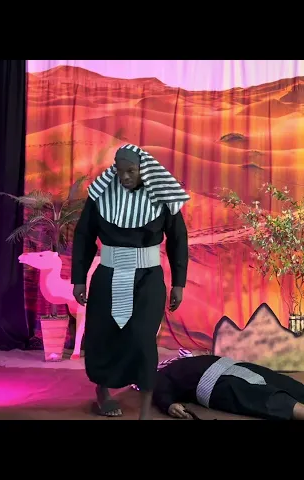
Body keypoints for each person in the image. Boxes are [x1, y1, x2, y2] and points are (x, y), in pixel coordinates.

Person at [71, 143, 190, 420]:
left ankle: (145, 411)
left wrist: (179, 283)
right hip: (108, 274)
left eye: (131, 171)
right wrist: (79, 279)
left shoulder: (161, 196)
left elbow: (178, 239)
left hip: (148, 278)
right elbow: (84, 236)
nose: (124, 176)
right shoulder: (101, 195)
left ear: (143, 170)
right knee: (103, 335)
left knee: (142, 339)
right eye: (119, 170)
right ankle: (103, 391)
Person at [152, 354, 304, 420]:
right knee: (265, 396)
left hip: (231, 366)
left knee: (289, 385)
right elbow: (160, 392)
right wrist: (169, 405)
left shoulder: (177, 356)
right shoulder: (158, 375)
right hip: (215, 385)